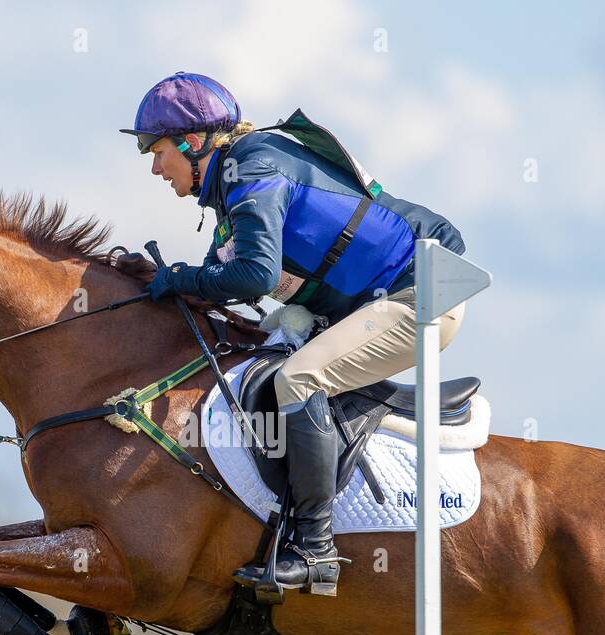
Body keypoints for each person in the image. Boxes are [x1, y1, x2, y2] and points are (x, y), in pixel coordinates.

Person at [121, 72, 467, 597]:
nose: (153, 166)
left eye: (157, 149)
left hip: (423, 293)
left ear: (193, 143)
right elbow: (232, 278)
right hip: (374, 302)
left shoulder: (252, 166)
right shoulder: (231, 189)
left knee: (298, 379)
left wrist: (181, 279)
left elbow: (256, 275)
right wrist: (164, 281)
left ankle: (315, 549)